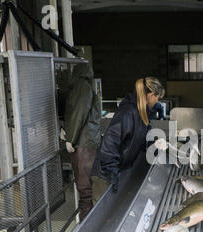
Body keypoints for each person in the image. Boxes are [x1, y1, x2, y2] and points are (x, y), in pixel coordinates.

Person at [91, 77, 165, 193]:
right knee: (105, 210)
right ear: (151, 95)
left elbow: (142, 141)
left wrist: (155, 145)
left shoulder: (142, 114)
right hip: (106, 175)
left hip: (119, 170)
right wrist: (112, 174)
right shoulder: (128, 113)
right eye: (157, 97)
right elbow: (109, 143)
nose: (157, 101)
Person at [64, 63, 102, 222]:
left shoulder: (81, 87)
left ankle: (87, 225)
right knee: (86, 185)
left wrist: (70, 138)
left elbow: (78, 114)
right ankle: (89, 221)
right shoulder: (87, 87)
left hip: (83, 143)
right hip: (88, 141)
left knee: (84, 186)